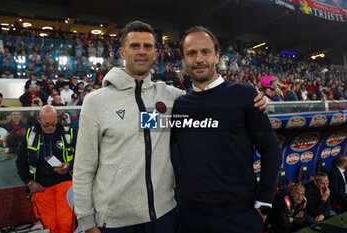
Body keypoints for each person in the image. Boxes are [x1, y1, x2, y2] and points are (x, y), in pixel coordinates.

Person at [73, 21, 267, 233]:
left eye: (147, 46)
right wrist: (87, 222)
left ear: (155, 53)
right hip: (117, 222)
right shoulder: (96, 102)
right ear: (122, 51)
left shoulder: (171, 97)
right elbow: (83, 168)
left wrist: (256, 99)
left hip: (166, 216)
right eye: (134, 46)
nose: (141, 52)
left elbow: (206, 98)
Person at [172, 26, 281, 233]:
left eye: (205, 52)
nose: (199, 59)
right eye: (191, 53)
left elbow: (271, 150)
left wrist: (264, 204)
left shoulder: (245, 95)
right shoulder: (179, 105)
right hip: (190, 217)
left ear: (217, 56)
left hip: (239, 217)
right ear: (184, 59)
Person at [16, 105, 76, 233]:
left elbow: (83, 157)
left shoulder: (68, 132)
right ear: (39, 120)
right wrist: (29, 182)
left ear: (57, 119)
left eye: (54, 124)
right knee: (50, 226)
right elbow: (20, 162)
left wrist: (69, 165)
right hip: (41, 187)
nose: (50, 127)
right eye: (46, 124)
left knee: (66, 224)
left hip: (65, 184)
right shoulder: (30, 135)